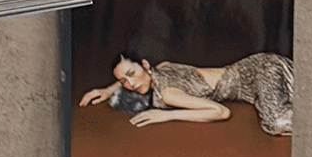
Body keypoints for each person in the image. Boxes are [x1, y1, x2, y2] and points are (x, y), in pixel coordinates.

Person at [79, 48, 293, 135]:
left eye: (132, 74)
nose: (131, 84)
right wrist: (108, 90)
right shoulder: (162, 68)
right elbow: (135, 76)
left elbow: (221, 112)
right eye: (123, 82)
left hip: (261, 71)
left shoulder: (167, 94)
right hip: (256, 69)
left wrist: (165, 115)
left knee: (277, 123)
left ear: (144, 65)